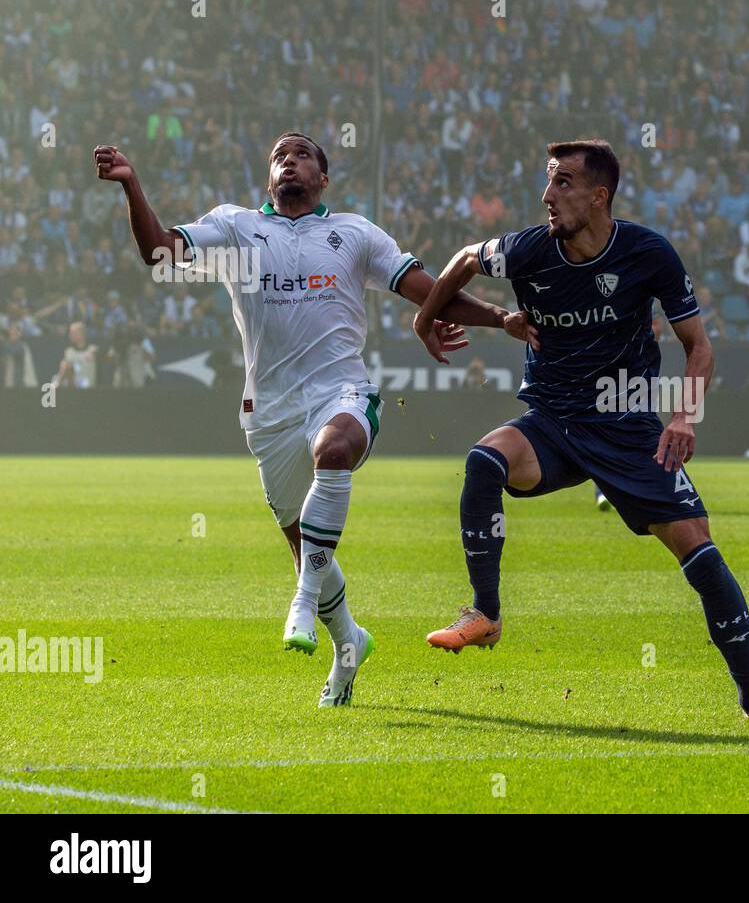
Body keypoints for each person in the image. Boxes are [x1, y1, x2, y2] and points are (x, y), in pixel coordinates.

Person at [412, 139, 749, 723]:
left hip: (628, 431)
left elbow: (699, 348)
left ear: (600, 196)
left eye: (563, 183)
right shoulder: (526, 250)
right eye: (547, 181)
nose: (548, 196)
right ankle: (485, 614)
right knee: (484, 461)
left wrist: (683, 415)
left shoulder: (649, 253)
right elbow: (467, 259)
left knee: (701, 555)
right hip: (551, 422)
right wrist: (434, 319)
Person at [93, 132, 491, 706]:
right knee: (303, 544)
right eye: (280, 155)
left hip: (342, 391)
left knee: (335, 452)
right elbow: (159, 253)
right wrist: (133, 186)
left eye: (302, 154)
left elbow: (431, 293)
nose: (290, 160)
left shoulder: (354, 234)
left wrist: (500, 319)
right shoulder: (235, 229)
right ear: (269, 177)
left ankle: (301, 603)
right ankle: (348, 644)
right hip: (269, 414)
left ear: (322, 178)